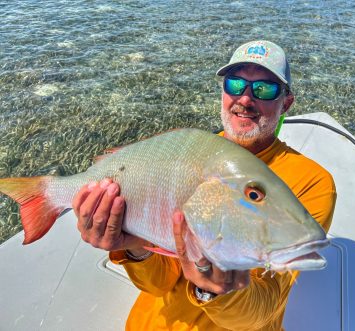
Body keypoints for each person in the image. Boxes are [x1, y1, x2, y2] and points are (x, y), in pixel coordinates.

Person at [73, 40, 336, 330]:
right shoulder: (185, 156)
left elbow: (263, 308)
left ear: (286, 102)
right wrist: (137, 249)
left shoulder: (312, 181)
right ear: (223, 92)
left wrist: (214, 290)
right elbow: (158, 285)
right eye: (235, 84)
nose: (246, 99)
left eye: (264, 89)